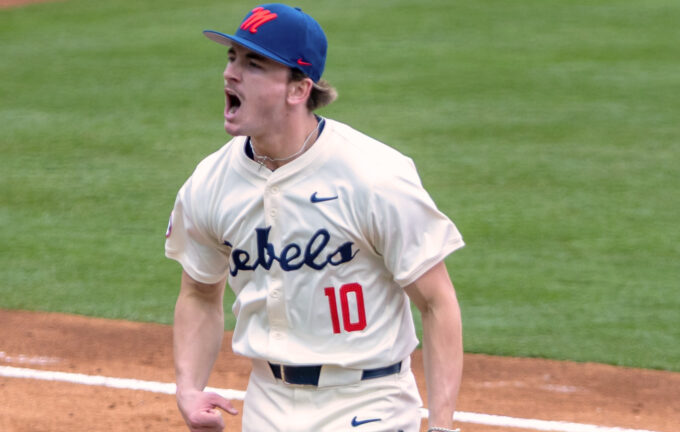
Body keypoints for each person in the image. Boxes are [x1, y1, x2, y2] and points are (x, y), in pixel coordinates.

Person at [165, 3, 465, 431]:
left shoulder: (374, 176)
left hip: (368, 402)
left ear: (297, 90)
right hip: (267, 403)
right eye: (232, 57)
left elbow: (437, 302)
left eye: (254, 63)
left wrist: (441, 426)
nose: (231, 73)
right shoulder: (210, 183)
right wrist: (188, 388)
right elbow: (198, 290)